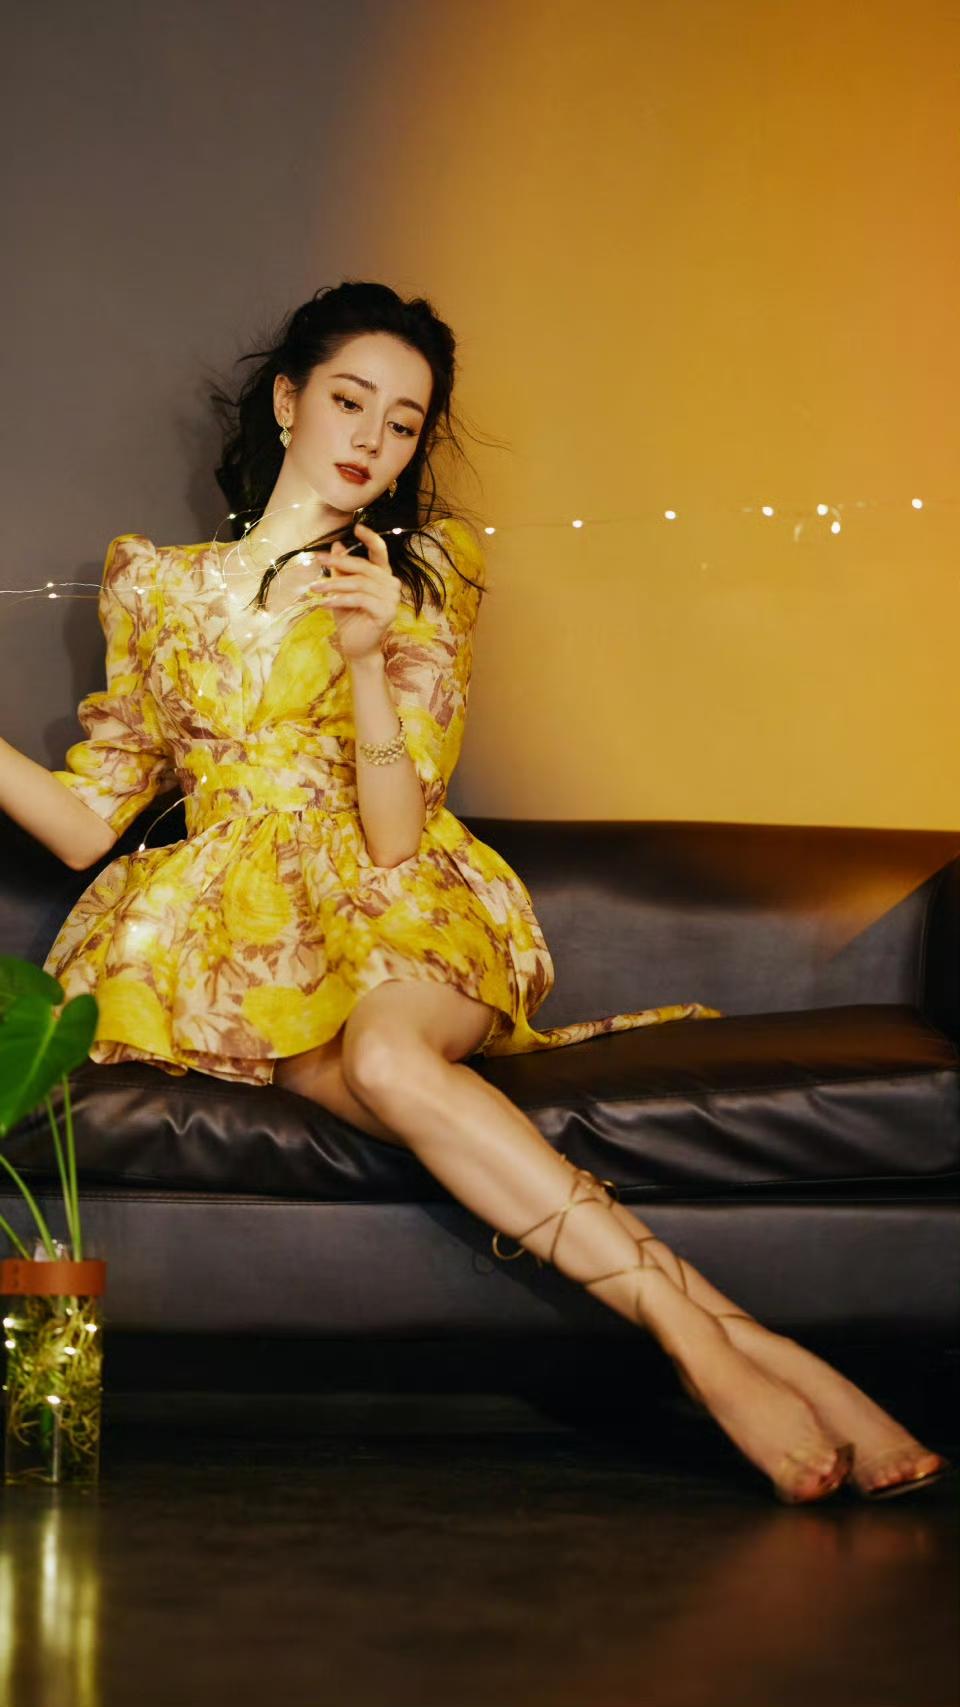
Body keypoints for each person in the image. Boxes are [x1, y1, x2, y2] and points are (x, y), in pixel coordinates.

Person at [5, 281, 950, 1504]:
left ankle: (707, 1357)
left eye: (403, 423)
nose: (371, 441)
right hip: (243, 949)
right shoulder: (157, 586)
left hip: (399, 898)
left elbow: (397, 832)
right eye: (350, 402)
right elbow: (88, 823)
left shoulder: (424, 574)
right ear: (288, 400)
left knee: (391, 1059)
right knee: (377, 1077)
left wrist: (366, 660)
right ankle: (745, 1344)